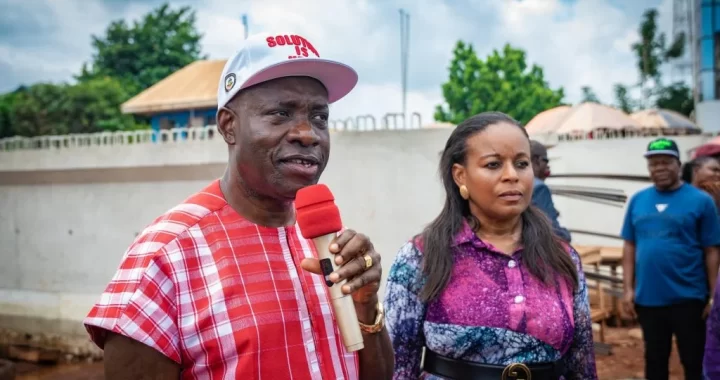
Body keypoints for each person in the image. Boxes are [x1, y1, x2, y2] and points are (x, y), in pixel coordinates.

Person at [83, 32, 394, 380]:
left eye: (320, 117)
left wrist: (366, 304)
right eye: (280, 113)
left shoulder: (326, 243)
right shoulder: (166, 254)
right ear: (229, 126)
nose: (308, 134)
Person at [384, 112, 597, 380]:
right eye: (493, 164)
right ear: (460, 176)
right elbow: (399, 367)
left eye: (521, 163)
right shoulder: (421, 257)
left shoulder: (561, 257)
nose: (512, 175)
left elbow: (582, 366)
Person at [620, 137, 720, 380]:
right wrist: (628, 290)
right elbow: (630, 246)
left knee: (693, 360)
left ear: (678, 164)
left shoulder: (701, 201)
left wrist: (712, 295)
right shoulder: (638, 200)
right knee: (654, 360)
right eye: (654, 164)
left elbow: (711, 250)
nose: (660, 168)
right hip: (649, 300)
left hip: (689, 298)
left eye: (665, 162)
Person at [530, 140, 572, 243]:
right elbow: (553, 231)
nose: (548, 166)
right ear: (536, 161)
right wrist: (567, 234)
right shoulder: (540, 188)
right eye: (546, 160)